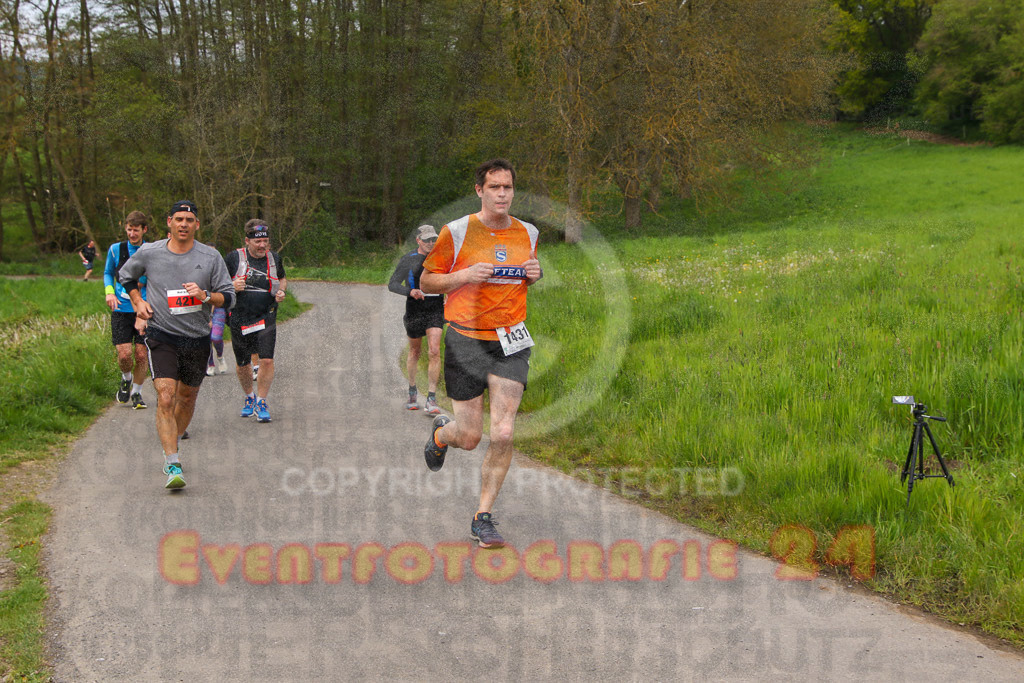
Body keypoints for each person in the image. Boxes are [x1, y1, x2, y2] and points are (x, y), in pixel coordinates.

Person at [419, 159, 542, 548]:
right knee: (470, 437)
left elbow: (521, 277)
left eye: (507, 187)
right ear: (479, 190)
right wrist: (463, 276)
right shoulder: (456, 231)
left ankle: (482, 517)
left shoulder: (529, 232)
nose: (502, 194)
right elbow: (427, 280)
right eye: (494, 187)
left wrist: (534, 275)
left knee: (503, 431)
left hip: (510, 340)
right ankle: (443, 434)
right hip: (465, 339)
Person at [119, 200, 235, 490]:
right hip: (162, 334)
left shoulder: (210, 257)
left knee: (186, 398)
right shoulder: (151, 252)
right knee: (166, 396)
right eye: (179, 219)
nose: (184, 224)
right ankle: (173, 462)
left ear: (197, 225)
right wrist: (138, 301)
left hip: (196, 337)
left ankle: (171, 444)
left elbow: (229, 296)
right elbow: (126, 276)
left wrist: (206, 295)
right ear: (169, 222)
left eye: (190, 219)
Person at [223, 220, 288, 423]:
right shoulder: (234, 258)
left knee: (266, 359)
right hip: (239, 317)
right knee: (243, 364)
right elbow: (218, 284)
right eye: (258, 242)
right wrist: (232, 285)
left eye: (266, 242)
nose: (262, 246)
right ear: (247, 241)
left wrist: (281, 291)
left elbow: (282, 278)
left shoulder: (274, 258)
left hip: (266, 315)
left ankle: (261, 401)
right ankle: (249, 397)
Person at [388, 224, 445, 415]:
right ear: (418, 240)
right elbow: (393, 284)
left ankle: (431, 398)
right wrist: (410, 291)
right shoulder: (408, 259)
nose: (431, 243)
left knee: (435, 351)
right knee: (415, 351)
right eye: (427, 239)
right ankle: (412, 391)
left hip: (435, 309)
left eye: (433, 239)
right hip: (414, 309)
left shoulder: (441, 257)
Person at [103, 211, 150, 409]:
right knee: (124, 355)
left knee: (141, 355)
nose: (132, 234)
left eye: (136, 230)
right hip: (121, 308)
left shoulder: (151, 250)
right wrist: (109, 292)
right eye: (129, 230)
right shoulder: (115, 250)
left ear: (144, 230)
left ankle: (137, 394)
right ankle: (126, 378)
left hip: (144, 309)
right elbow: (107, 273)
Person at [206, 306, 229, 376]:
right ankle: (210, 364)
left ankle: (220, 357)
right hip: (202, 309)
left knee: (216, 337)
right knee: (206, 338)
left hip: (218, 307)